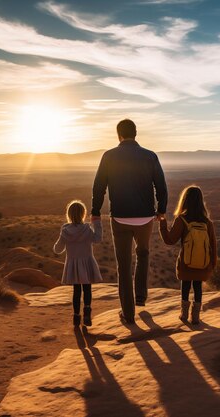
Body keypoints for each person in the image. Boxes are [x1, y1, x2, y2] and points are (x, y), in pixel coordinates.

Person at [91, 119, 167, 324]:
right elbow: (161, 186)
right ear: (136, 133)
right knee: (143, 253)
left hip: (120, 217)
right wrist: (161, 210)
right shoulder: (150, 156)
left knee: (123, 265)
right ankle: (141, 296)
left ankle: (128, 313)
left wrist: (95, 211)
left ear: (119, 135)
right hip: (145, 217)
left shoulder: (109, 156)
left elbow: (99, 186)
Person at [159, 185, 217, 324]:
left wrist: (162, 224)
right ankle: (196, 317)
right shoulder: (207, 222)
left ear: (184, 200)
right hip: (203, 263)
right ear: (200, 201)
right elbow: (213, 246)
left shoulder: (181, 220)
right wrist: (212, 264)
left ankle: (184, 315)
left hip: (186, 263)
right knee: (197, 287)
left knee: (185, 286)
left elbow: (170, 240)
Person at [53, 200, 103, 326]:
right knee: (87, 289)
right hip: (87, 263)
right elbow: (97, 239)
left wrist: (61, 240)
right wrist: (97, 223)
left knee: (76, 291)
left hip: (73, 265)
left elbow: (57, 249)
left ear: (69, 214)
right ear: (83, 214)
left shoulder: (65, 230)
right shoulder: (87, 229)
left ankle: (76, 318)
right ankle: (87, 313)